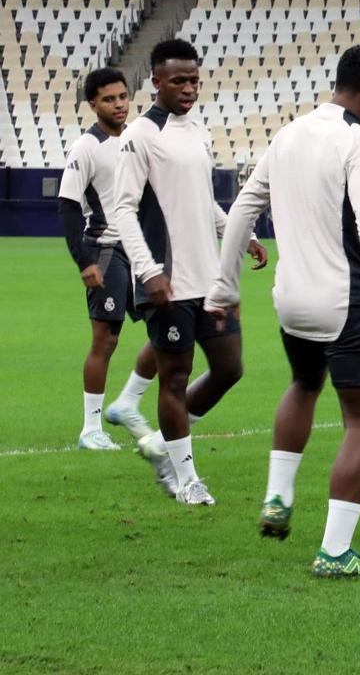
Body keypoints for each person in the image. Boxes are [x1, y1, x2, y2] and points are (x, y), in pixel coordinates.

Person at [206, 43, 360, 578]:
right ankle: (334, 551)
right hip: (347, 300)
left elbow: (242, 211)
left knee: (304, 385)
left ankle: (278, 498)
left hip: (290, 300)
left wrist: (222, 287)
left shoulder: (288, 134)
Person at [111, 39, 268, 506]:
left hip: (212, 277)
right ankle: (185, 478)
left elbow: (201, 200)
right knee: (174, 378)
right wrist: (148, 271)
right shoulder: (140, 135)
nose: (188, 88)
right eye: (178, 80)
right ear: (155, 81)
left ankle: (163, 443)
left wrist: (239, 234)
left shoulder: (198, 131)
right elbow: (122, 210)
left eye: (194, 80)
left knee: (229, 368)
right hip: (168, 278)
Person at [58, 68, 165, 472]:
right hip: (105, 249)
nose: (120, 104)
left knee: (170, 324)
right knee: (106, 340)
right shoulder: (86, 147)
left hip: (143, 248)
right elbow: (67, 205)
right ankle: (90, 429)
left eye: (123, 97)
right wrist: (84, 262)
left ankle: (127, 403)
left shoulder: (141, 136)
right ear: (93, 105)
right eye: (109, 99)